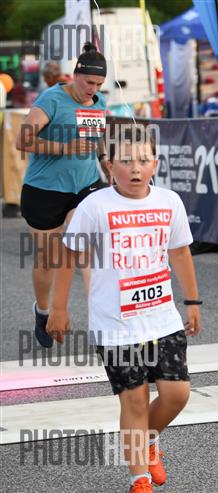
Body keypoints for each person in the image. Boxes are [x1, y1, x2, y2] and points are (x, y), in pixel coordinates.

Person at [47, 125, 202, 493]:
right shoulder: (95, 206)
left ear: (156, 165)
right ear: (109, 166)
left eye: (144, 160)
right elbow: (68, 255)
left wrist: (193, 301)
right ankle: (139, 478)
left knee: (177, 394)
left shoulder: (169, 201)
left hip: (162, 318)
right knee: (133, 400)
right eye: (126, 161)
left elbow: (180, 251)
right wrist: (58, 308)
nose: (135, 168)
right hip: (115, 324)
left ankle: (148, 440)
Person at [15, 42, 109, 348]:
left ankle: (103, 318)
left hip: (85, 186)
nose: (92, 90)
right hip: (45, 190)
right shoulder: (52, 99)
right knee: (48, 259)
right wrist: (63, 148)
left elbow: (96, 137)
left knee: (86, 248)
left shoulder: (98, 102)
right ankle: (43, 311)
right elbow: (22, 140)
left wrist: (105, 159)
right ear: (75, 75)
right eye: (88, 82)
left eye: (99, 84)